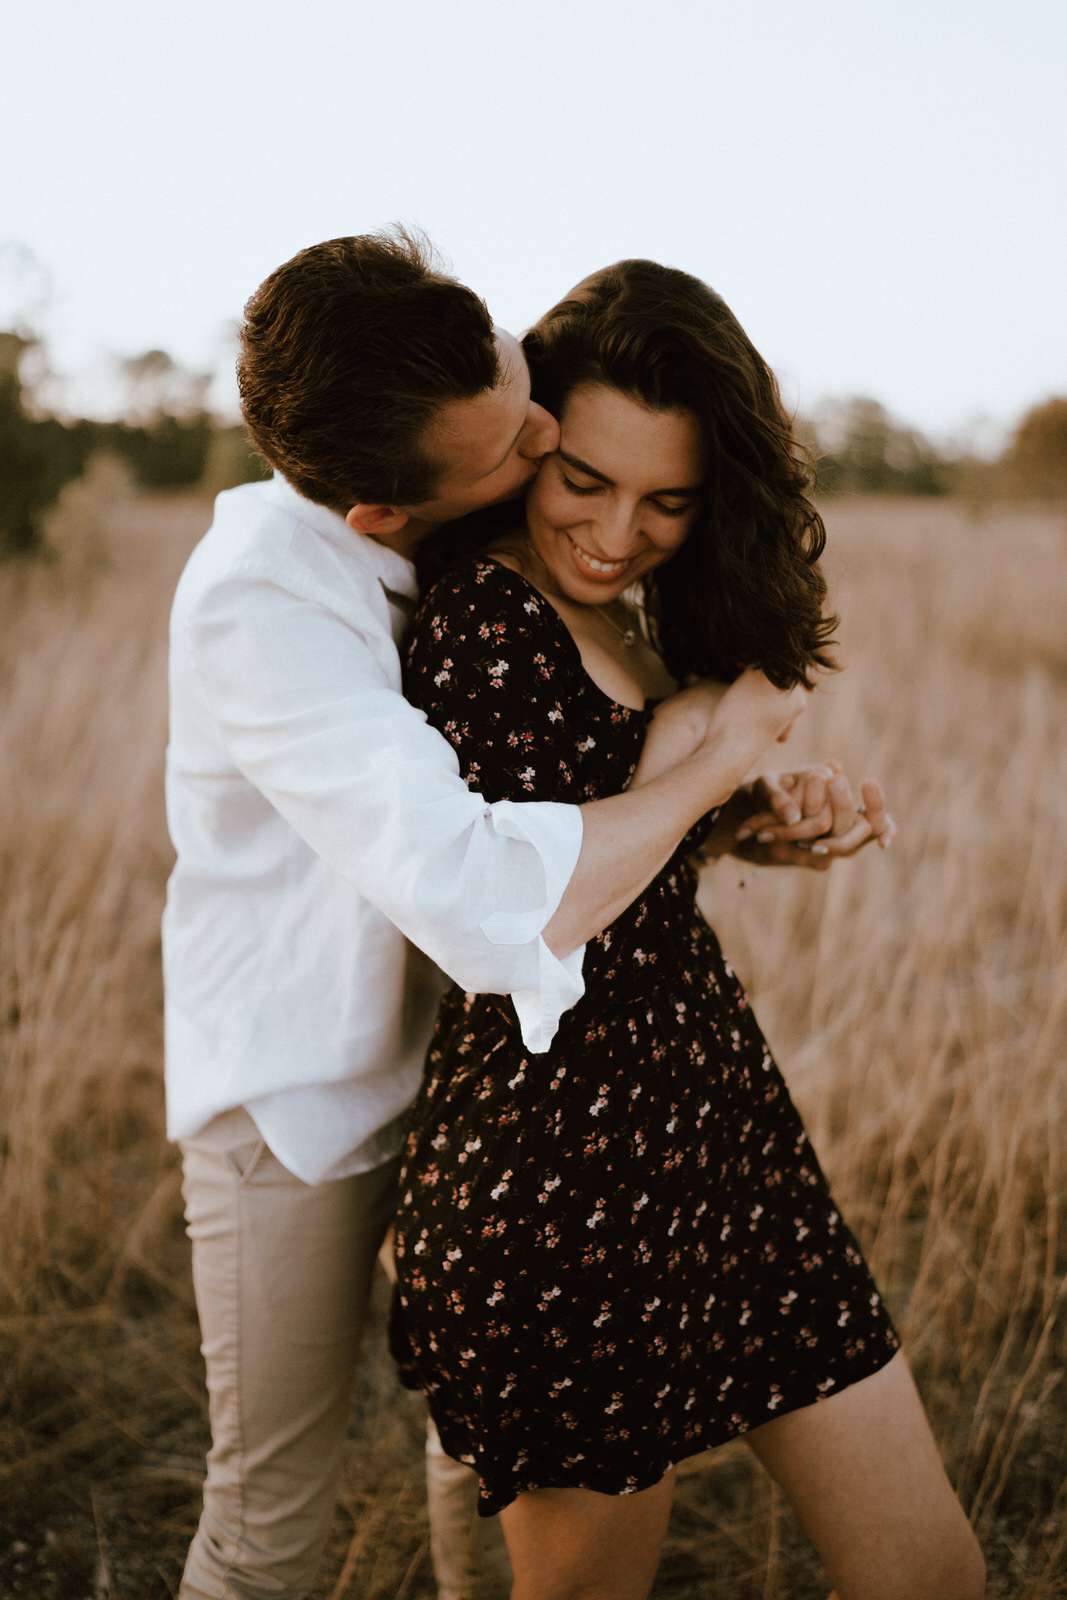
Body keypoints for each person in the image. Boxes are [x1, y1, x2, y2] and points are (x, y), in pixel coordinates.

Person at [164, 230, 882, 1600]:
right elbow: (497, 898)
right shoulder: (265, 603)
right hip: (302, 1101)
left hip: (465, 1075)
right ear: (388, 509)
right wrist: (716, 757)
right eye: (524, 449)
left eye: (517, 382)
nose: (544, 428)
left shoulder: (448, 474)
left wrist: (726, 814)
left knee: (473, 1447)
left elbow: (556, 792)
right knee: (269, 1523)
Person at [390, 259, 986, 1600]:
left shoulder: (616, 614)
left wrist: (746, 818)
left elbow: (615, 842)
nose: (616, 532)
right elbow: (529, 915)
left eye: (669, 500)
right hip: (559, 1191)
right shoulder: (483, 627)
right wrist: (707, 763)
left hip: (723, 1144)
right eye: (584, 481)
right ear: (529, 439)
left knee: (931, 1571)